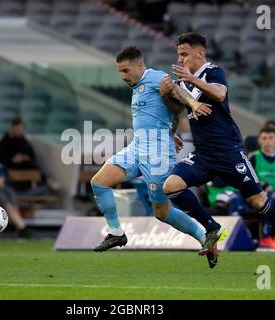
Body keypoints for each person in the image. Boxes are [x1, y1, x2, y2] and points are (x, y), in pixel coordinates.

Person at [160, 32, 275, 272]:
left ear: (200, 53)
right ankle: (212, 227)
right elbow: (178, 111)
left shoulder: (213, 72)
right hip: (203, 154)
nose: (180, 60)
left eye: (184, 54)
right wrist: (172, 129)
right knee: (171, 186)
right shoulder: (185, 82)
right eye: (178, 54)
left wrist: (191, 78)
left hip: (228, 152)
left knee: (258, 201)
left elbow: (219, 94)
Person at [90, 46, 219, 268]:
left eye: (125, 71)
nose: (122, 76)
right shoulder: (138, 86)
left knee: (162, 211)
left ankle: (203, 236)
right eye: (119, 72)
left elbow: (178, 93)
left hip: (158, 153)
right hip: (137, 147)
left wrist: (194, 104)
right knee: (99, 182)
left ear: (140, 65)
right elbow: (167, 111)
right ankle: (116, 233)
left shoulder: (156, 77)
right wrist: (172, 131)